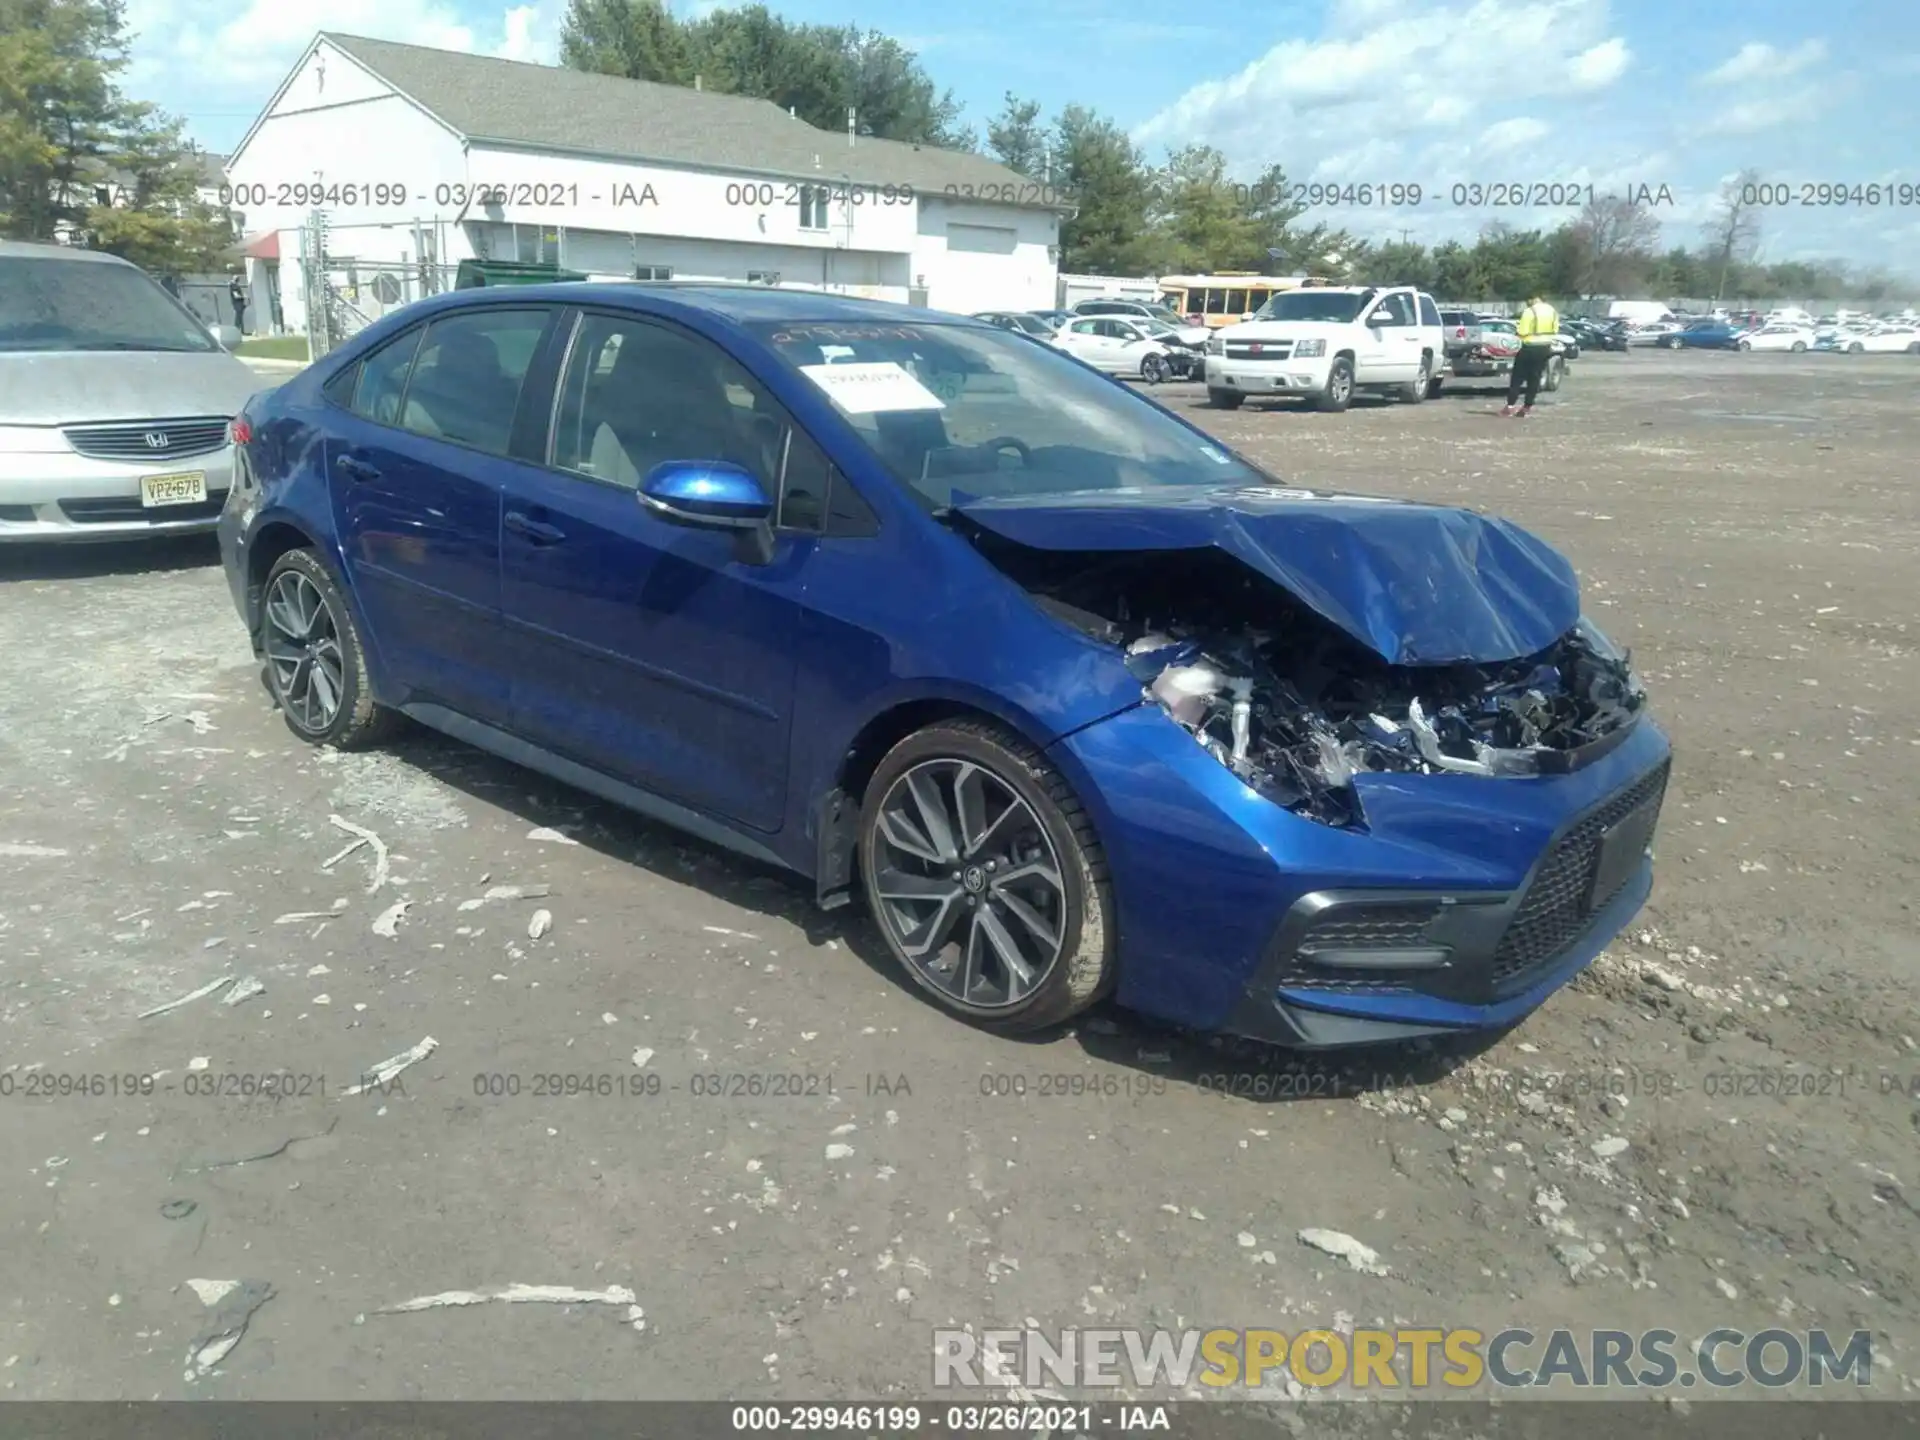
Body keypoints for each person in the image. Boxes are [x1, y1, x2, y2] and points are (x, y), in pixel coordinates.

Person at [1503, 293, 1559, 417]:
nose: (1527, 302)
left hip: (1529, 347)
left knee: (1517, 378)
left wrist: (1518, 334)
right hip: (1545, 348)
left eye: (1528, 300)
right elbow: (1555, 330)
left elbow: (1522, 332)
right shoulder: (1552, 311)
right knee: (1535, 378)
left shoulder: (1529, 312)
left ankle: (1510, 406)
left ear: (1533, 299)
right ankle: (1527, 407)